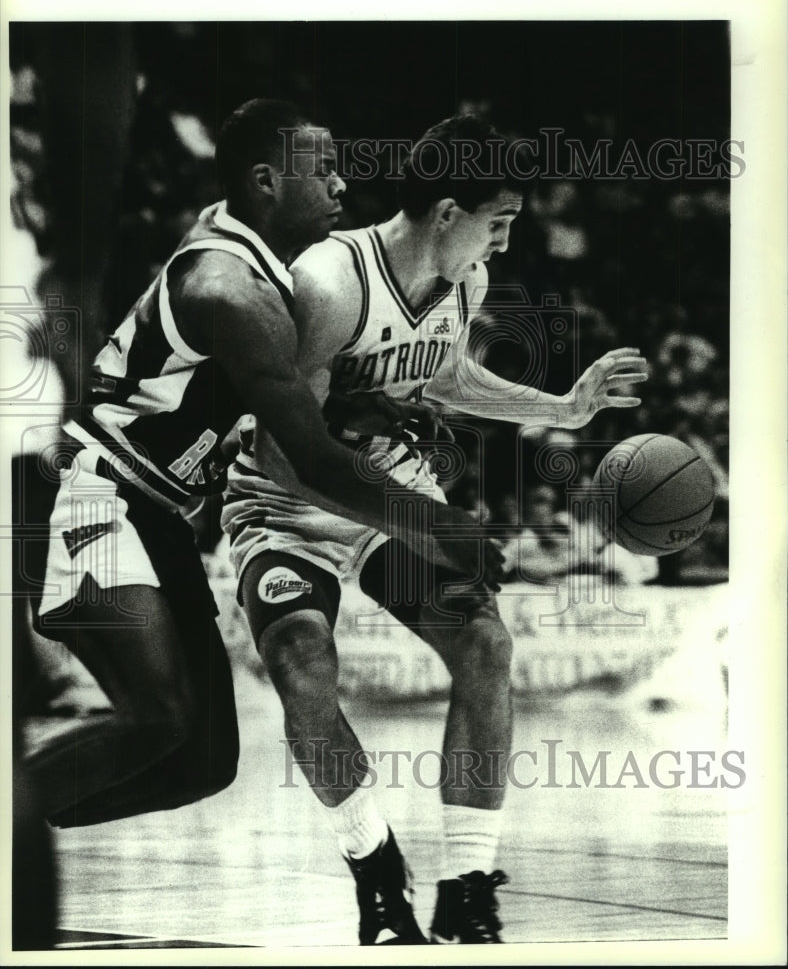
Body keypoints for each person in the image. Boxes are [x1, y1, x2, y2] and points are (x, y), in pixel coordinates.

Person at [221, 113, 648, 944]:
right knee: (302, 661)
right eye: (500, 223)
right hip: (287, 508)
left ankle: (465, 884)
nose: (504, 245)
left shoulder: (465, 285)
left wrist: (561, 406)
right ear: (448, 213)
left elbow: (443, 370)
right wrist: (422, 521)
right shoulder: (330, 283)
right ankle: (374, 867)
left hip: (391, 502)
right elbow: (282, 455)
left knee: (486, 644)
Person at [20, 99, 498, 830]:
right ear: (266, 182)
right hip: (93, 496)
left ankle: (23, 828)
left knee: (204, 762)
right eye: (325, 170)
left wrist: (363, 408)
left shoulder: (257, 264)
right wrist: (435, 525)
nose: (343, 186)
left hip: (156, 515)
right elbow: (307, 460)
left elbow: (285, 409)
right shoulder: (230, 289)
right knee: (155, 720)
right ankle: (12, 832)